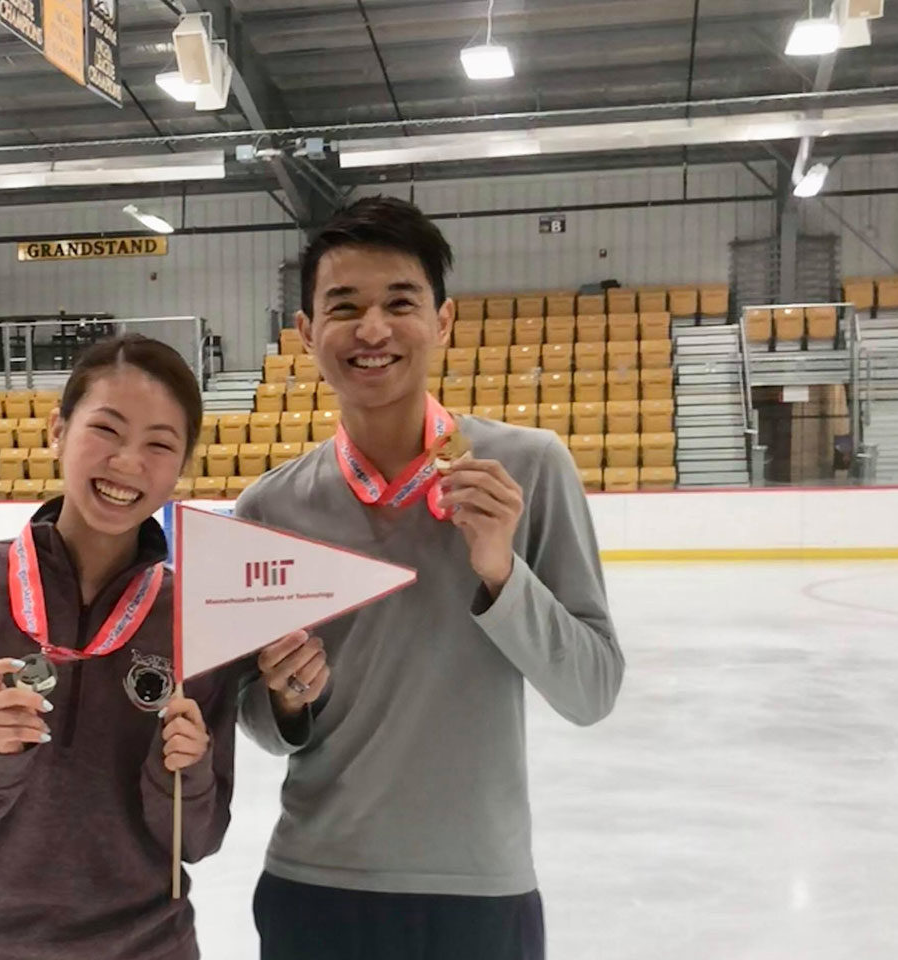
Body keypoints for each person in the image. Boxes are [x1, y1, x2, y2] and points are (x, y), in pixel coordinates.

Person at [236, 196, 625, 960]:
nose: (373, 330)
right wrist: (283, 701)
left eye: (399, 303)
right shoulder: (269, 505)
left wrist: (499, 570)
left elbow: (592, 691)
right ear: (309, 333)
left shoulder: (528, 470)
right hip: (316, 884)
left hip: (478, 889)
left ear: (442, 322)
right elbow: (254, 721)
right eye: (344, 307)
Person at [0, 334, 236, 960]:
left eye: (159, 444)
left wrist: (186, 775)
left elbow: (198, 837)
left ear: (183, 467)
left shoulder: (195, 616)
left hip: (145, 946)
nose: (128, 462)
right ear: (57, 431)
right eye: (107, 430)